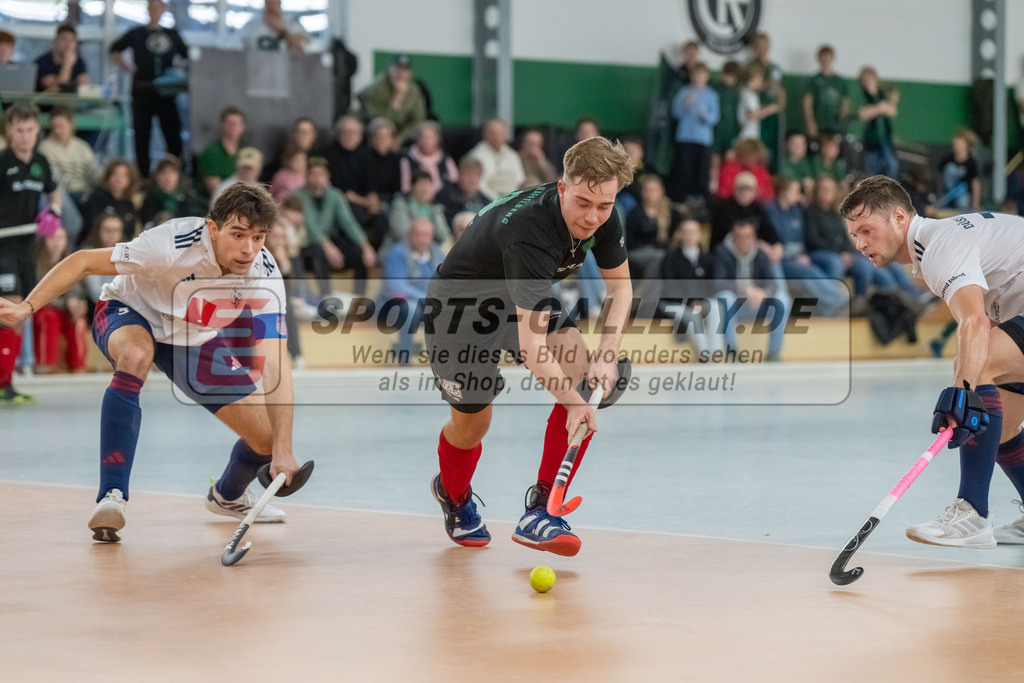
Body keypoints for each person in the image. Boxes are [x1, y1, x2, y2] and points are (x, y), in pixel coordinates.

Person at [0, 183, 301, 541]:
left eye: (258, 237)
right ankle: (112, 496)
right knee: (135, 354)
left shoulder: (264, 275)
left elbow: (274, 365)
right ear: (213, 228)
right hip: (130, 311)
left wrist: (283, 447)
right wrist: (26, 307)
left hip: (192, 337)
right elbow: (81, 261)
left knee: (265, 439)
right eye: (238, 235)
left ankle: (227, 496)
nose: (248, 248)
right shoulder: (169, 244)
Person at [425, 136, 635, 557]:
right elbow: (532, 346)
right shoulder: (530, 234)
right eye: (583, 203)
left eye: (604, 206)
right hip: (460, 312)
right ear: (562, 187)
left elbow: (621, 290)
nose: (593, 216)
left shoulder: (604, 211)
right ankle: (453, 493)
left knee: (586, 380)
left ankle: (543, 509)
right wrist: (576, 404)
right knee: (472, 426)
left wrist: (607, 354)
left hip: (522, 295)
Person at [839, 174, 1024, 548]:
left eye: (866, 230)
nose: (860, 244)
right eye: (854, 235)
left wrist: (963, 391)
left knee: (980, 367)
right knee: (1000, 425)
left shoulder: (939, 247)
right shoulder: (936, 246)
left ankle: (972, 514)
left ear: (900, 218)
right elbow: (983, 321)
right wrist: (966, 391)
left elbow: (975, 324)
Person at [0, 104, 63, 405]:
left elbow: (53, 190)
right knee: (10, 313)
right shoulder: (2, 162)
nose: (25, 136)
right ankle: (4, 384)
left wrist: (54, 211)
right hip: (3, 249)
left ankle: (6, 382)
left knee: (22, 315)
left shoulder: (41, 162)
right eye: (19, 130)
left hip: (27, 248)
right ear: (9, 130)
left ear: (37, 131)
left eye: (30, 130)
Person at [109, 0, 188, 178]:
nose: (155, 11)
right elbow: (115, 50)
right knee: (142, 135)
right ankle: (143, 176)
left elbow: (187, 56)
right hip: (142, 90)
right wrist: (129, 68)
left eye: (158, 8)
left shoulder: (172, 34)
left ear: (163, 11)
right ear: (148, 10)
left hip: (166, 92)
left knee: (172, 133)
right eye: (152, 8)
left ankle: (175, 174)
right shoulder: (137, 34)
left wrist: (175, 76)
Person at [292, 157, 376, 297]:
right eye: (313, 174)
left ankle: (359, 297)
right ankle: (326, 297)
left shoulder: (335, 195)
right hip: (306, 245)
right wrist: (327, 246)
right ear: (306, 176)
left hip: (329, 243)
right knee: (318, 253)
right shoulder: (298, 196)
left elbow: (348, 222)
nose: (317, 178)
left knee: (359, 254)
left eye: (320, 174)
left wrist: (365, 245)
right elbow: (310, 226)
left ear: (327, 176)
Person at [711, 218, 791, 361]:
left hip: (758, 305)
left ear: (753, 237)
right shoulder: (721, 252)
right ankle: (732, 351)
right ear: (733, 236)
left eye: (747, 236)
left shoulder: (760, 254)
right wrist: (745, 289)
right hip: (734, 307)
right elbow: (719, 283)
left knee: (783, 299)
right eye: (740, 236)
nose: (744, 240)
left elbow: (773, 283)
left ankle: (774, 353)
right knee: (725, 297)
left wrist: (763, 293)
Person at [379, 218, 446, 365]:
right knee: (410, 309)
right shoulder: (398, 252)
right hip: (393, 306)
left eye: (426, 235)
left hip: (426, 303)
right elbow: (398, 287)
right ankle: (405, 356)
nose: (421, 239)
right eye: (417, 234)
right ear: (409, 235)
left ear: (432, 236)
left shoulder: (437, 253)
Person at [33, 227, 88, 373]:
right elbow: (41, 295)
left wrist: (75, 301)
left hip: (64, 308)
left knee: (78, 317)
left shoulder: (72, 261)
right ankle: (46, 364)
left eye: (61, 238)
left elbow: (76, 289)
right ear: (44, 241)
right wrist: (66, 302)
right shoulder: (36, 263)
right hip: (42, 308)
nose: (57, 243)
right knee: (49, 317)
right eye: (52, 238)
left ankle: (77, 366)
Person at [669, 61, 719, 202]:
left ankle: (699, 197)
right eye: (696, 74)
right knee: (685, 168)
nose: (698, 77)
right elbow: (676, 113)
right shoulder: (684, 92)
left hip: (703, 138)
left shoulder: (711, 95)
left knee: (701, 169)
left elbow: (715, 118)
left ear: (707, 76)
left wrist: (705, 116)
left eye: (702, 74)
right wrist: (685, 105)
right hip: (685, 136)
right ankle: (684, 196)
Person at [357, 54, 427, 147]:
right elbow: (378, 122)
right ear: (390, 69)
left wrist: (402, 136)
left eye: (405, 70)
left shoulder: (414, 90)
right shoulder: (375, 89)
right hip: (376, 136)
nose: (401, 73)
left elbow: (418, 120)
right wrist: (396, 100)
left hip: (402, 136)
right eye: (397, 69)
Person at [79, 159, 139, 244]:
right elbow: (90, 227)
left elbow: (130, 232)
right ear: (108, 176)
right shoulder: (96, 197)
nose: (118, 179)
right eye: (115, 174)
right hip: (94, 246)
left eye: (124, 176)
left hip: (120, 249)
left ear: (131, 180)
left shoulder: (129, 205)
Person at [386, 170, 451, 249]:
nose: (425, 189)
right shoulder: (401, 204)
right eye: (421, 184)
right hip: (401, 249)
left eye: (428, 185)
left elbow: (444, 235)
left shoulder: (436, 208)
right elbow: (400, 233)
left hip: (428, 252)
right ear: (412, 187)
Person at [467, 118, 526, 199]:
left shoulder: (512, 155)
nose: (497, 137)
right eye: (494, 134)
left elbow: (520, 180)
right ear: (486, 134)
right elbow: (480, 186)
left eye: (501, 134)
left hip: (513, 199)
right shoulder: (477, 155)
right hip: (490, 201)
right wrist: (497, 200)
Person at [858, 66, 899, 178]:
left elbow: (892, 111)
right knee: (871, 174)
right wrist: (880, 108)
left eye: (870, 78)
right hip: (871, 141)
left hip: (886, 140)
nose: (868, 82)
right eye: (865, 80)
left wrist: (874, 109)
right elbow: (863, 114)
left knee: (892, 167)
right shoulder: (863, 96)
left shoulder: (883, 94)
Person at [198, 106, 246, 198]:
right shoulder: (212, 151)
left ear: (242, 127)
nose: (233, 127)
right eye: (230, 123)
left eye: (237, 124)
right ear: (222, 125)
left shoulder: (244, 152)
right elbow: (213, 187)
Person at [139, 156, 202, 227]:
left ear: (178, 175)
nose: (167, 176)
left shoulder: (188, 199)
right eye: (163, 172)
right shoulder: (150, 200)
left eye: (171, 171)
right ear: (157, 176)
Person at [803, 45, 849, 141]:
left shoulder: (840, 81)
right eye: (823, 57)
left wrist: (843, 116)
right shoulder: (813, 80)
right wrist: (810, 122)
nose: (826, 60)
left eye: (828, 57)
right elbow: (807, 103)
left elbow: (845, 102)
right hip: (819, 124)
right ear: (818, 59)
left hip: (835, 126)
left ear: (833, 58)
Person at [399, 120, 458, 195]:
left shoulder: (446, 159)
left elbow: (454, 182)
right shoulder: (407, 159)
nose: (427, 141)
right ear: (417, 139)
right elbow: (405, 188)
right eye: (423, 137)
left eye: (431, 137)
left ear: (437, 139)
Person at [36, 24, 90, 93]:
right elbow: (56, 90)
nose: (68, 44)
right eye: (64, 39)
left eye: (72, 40)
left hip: (71, 102)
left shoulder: (79, 61)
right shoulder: (43, 62)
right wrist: (67, 65)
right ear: (56, 40)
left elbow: (85, 87)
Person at [436, 156, 489, 225]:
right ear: (459, 175)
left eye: (475, 175)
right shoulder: (445, 197)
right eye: (468, 175)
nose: (471, 180)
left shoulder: (486, 201)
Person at [937, 129, 981, 212]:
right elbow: (939, 178)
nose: (956, 146)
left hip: (962, 196)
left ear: (966, 145)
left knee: (962, 194)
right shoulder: (948, 159)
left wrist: (976, 204)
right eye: (955, 144)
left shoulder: (971, 163)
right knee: (950, 168)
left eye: (959, 144)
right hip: (948, 193)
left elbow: (975, 183)